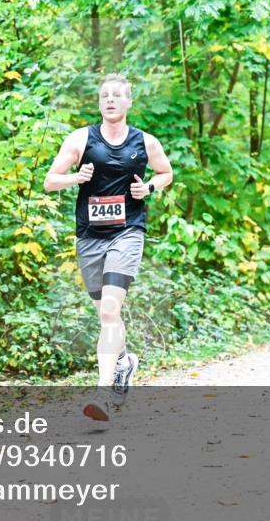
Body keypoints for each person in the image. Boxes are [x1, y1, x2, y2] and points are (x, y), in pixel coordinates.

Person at [44, 74, 174, 422]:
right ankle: (124, 362)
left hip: (127, 233)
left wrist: (149, 188)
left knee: (108, 312)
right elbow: (49, 181)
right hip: (89, 237)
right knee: (107, 313)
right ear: (99, 102)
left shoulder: (145, 142)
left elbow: (165, 173)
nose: (110, 100)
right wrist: (76, 178)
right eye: (104, 95)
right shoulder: (80, 139)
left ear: (129, 102)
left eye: (117, 95)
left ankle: (102, 393)